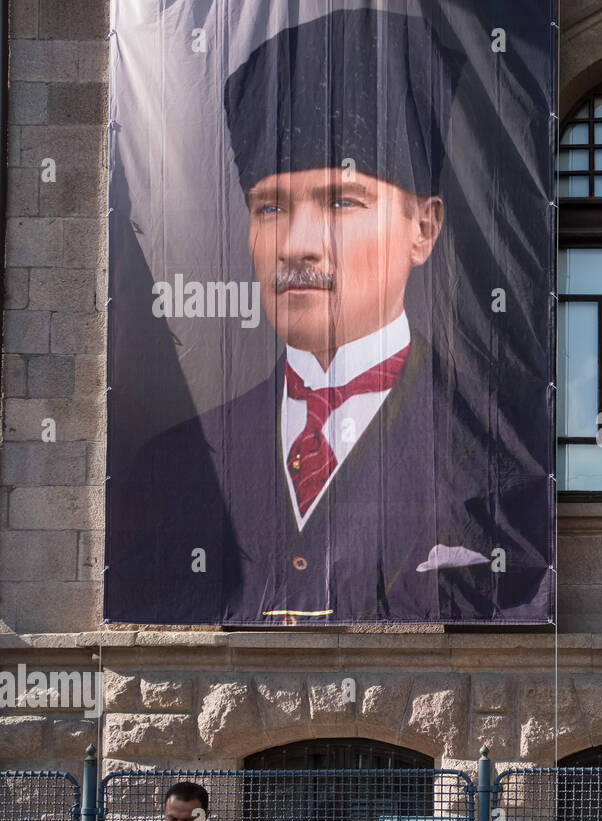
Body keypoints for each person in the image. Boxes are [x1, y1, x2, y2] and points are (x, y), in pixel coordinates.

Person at [105, 7, 550, 625]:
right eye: (270, 209)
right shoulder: (172, 467)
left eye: (342, 201)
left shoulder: (499, 453)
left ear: (423, 227)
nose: (298, 244)